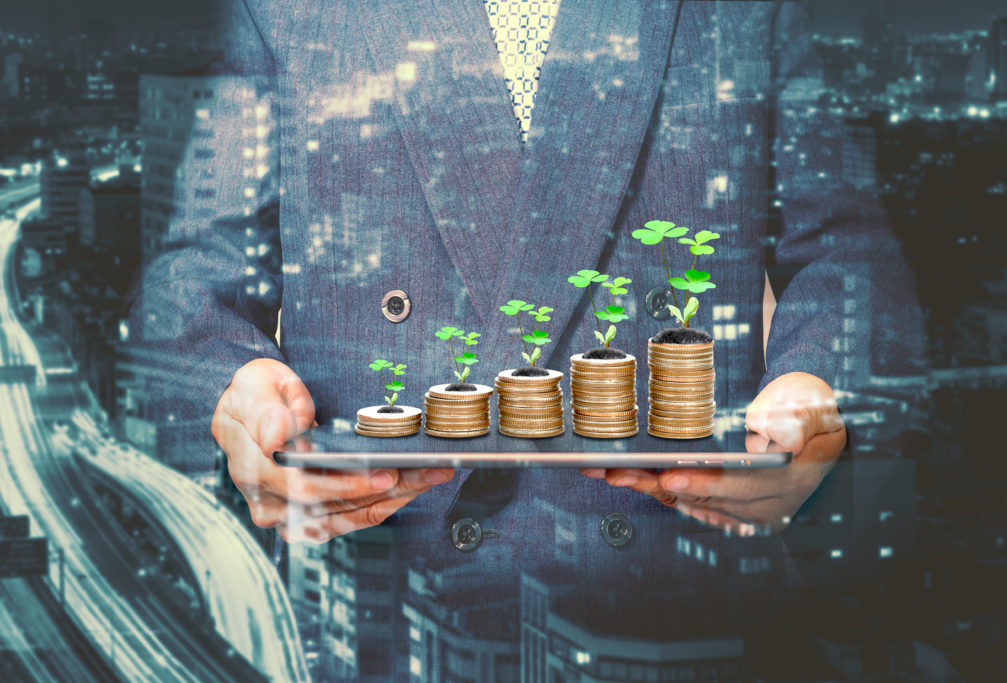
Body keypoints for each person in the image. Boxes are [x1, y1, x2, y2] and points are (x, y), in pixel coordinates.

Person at [129, 0, 925, 676]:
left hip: (673, 607)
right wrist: (230, 395)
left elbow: (851, 249)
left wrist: (818, 388)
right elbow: (195, 273)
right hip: (382, 597)